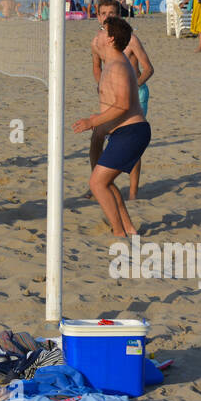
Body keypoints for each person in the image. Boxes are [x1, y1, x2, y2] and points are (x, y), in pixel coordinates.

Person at [73, 17, 148, 237]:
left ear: (111, 39)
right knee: (105, 181)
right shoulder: (110, 62)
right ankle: (128, 227)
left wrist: (92, 122)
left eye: (101, 30)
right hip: (121, 132)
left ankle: (118, 232)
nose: (97, 33)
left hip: (132, 132)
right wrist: (101, 120)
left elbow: (123, 104)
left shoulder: (118, 66)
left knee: (97, 184)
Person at [91, 0, 154, 201]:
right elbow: (96, 66)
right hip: (110, 97)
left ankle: (133, 191)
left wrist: (133, 86)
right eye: (104, 13)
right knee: (98, 136)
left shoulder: (130, 39)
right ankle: (99, 182)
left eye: (112, 13)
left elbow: (148, 68)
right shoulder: (98, 41)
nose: (108, 16)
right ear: (98, 16)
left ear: (119, 15)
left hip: (135, 94)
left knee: (129, 139)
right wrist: (101, 85)